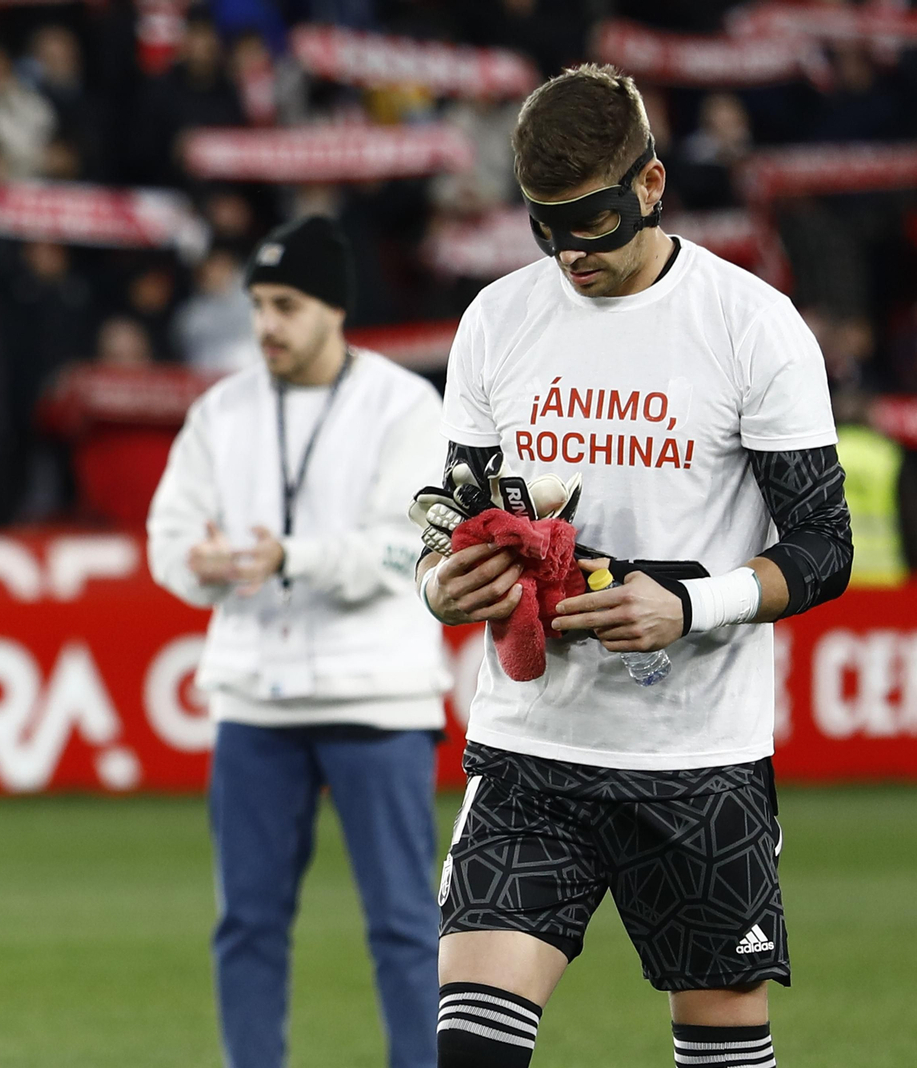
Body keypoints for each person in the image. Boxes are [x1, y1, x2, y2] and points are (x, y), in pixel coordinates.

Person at [418, 65, 852, 1068]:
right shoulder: (495, 322)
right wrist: (441, 586)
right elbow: (457, 520)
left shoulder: (751, 327)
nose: (573, 253)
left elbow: (825, 551)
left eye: (595, 223)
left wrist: (691, 606)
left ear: (650, 187)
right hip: (533, 754)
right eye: (546, 228)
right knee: (471, 1052)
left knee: (721, 1057)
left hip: (697, 760)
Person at [148, 215, 446, 1068]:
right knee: (246, 922)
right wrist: (202, 565)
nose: (267, 325)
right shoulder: (221, 408)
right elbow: (166, 540)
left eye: (286, 305)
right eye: (258, 305)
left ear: (334, 308)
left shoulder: (404, 404)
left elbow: (405, 548)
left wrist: (290, 558)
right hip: (253, 694)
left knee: (401, 924)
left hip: (376, 692)